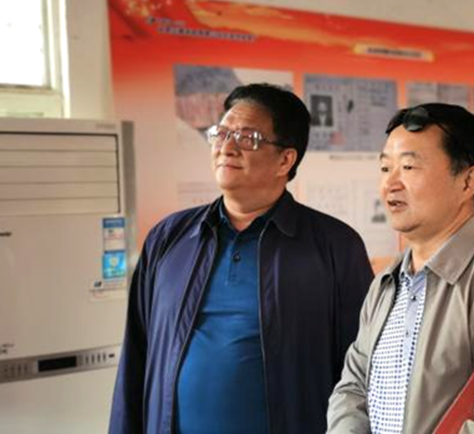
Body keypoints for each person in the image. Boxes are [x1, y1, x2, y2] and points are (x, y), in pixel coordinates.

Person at [109, 84, 374, 434]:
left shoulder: (334, 246)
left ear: (285, 160)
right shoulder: (169, 238)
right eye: (221, 134)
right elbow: (136, 357)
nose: (227, 147)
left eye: (247, 138)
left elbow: (363, 370)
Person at [327, 103, 474, 433]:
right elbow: (353, 387)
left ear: (467, 182)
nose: (390, 184)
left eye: (408, 167)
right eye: (385, 168)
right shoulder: (386, 282)